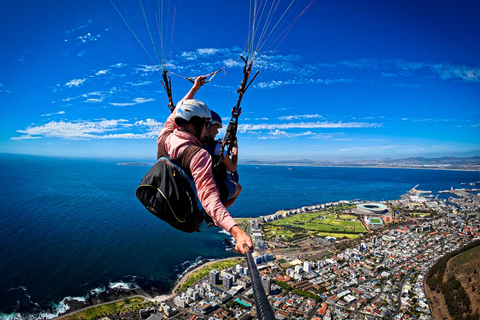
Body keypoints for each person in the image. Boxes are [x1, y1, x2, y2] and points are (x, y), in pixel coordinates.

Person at [156, 76, 253, 255]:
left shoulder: (164, 138)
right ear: (198, 124)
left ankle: (211, 216)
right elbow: (209, 198)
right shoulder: (198, 155)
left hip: (174, 202)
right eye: (206, 124)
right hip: (195, 213)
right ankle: (210, 219)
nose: (207, 129)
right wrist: (236, 232)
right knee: (236, 188)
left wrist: (194, 89)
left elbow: (179, 108)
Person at [205, 110, 242, 208]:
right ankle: (219, 209)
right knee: (238, 187)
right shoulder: (216, 147)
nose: (217, 131)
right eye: (216, 127)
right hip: (213, 185)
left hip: (202, 183)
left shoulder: (195, 143)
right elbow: (232, 168)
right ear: (208, 126)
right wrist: (235, 147)